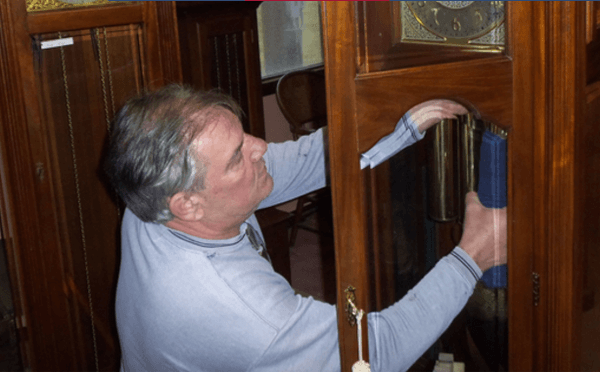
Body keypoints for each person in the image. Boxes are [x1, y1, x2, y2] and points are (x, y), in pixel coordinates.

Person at [104, 84, 507, 372]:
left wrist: (400, 127)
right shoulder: (252, 316)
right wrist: (472, 256)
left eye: (243, 134)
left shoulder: (149, 203)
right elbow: (375, 353)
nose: (259, 146)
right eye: (236, 157)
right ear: (188, 205)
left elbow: (297, 160)